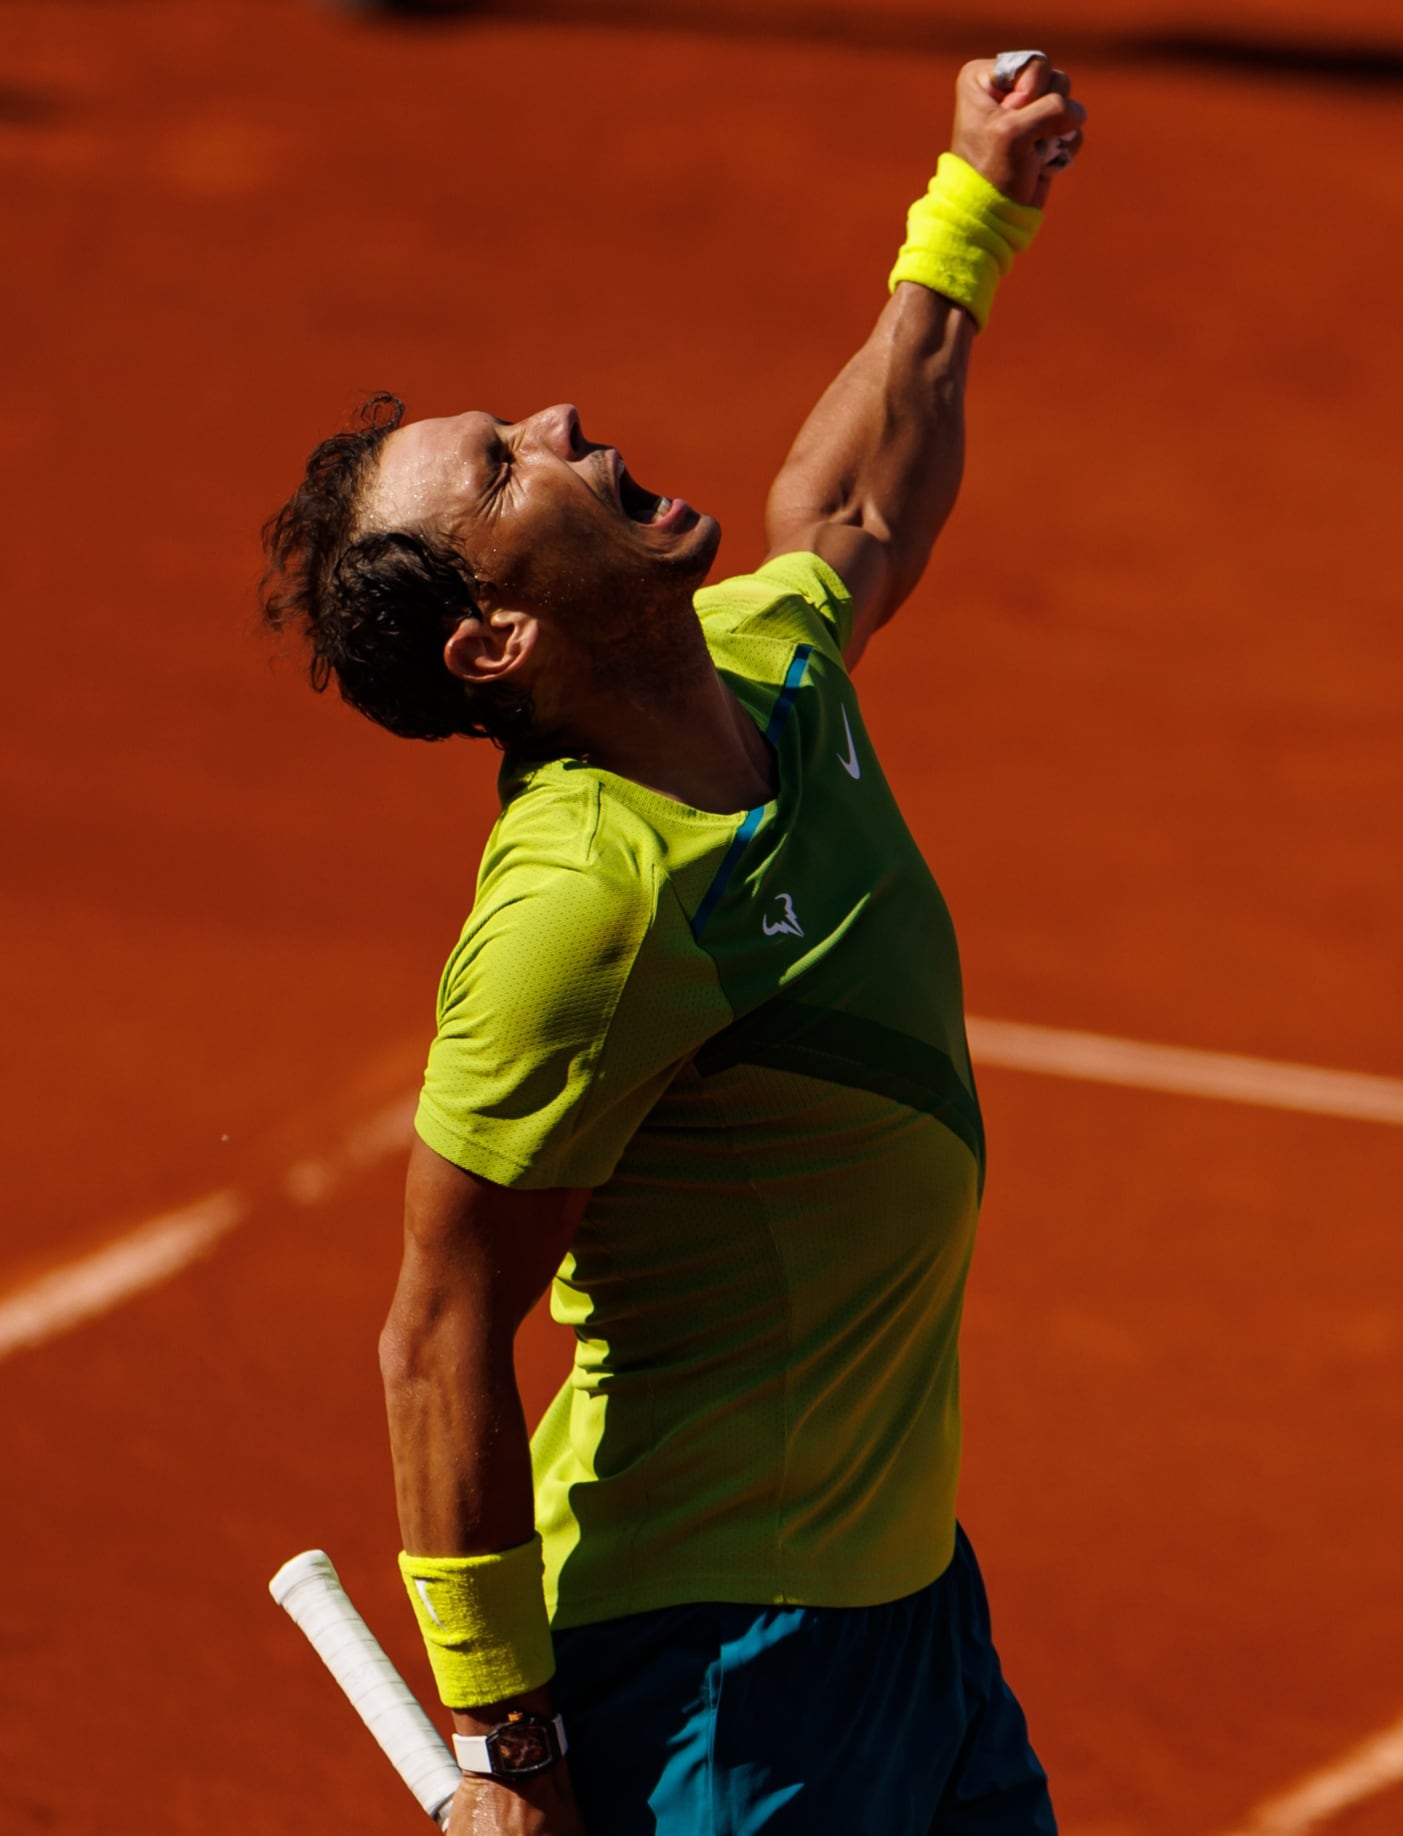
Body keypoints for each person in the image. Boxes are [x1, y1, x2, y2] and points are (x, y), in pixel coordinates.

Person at [254, 54, 1086, 1836]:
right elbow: (440, 1330)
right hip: (721, 1664)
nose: (558, 422)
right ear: (491, 640)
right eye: (502, 464)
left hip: (909, 1610)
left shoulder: (767, 660)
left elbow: (858, 507)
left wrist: (977, 198)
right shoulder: (584, 906)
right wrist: (504, 1748)